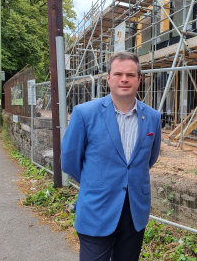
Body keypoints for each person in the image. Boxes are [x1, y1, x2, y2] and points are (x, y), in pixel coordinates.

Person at [61, 52, 161, 261]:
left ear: (139, 80)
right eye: (118, 74)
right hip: (97, 210)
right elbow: (70, 161)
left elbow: (148, 160)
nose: (124, 79)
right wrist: (95, 181)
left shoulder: (152, 117)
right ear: (108, 78)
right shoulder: (84, 113)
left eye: (131, 75)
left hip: (134, 213)